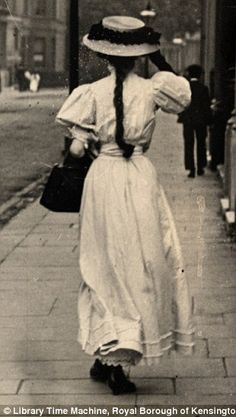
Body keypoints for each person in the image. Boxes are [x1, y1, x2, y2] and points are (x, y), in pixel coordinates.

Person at [56, 16, 194, 395]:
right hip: (139, 178)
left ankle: (106, 356)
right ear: (139, 57)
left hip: (103, 180)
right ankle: (117, 360)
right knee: (140, 263)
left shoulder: (91, 92)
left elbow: (76, 149)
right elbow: (183, 93)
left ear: (105, 56)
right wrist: (161, 61)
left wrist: (87, 144)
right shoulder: (153, 90)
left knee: (102, 265)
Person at [178, 64, 212, 178]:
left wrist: (181, 116)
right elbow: (207, 106)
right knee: (201, 144)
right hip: (201, 121)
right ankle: (201, 167)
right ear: (199, 75)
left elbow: (181, 103)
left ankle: (191, 169)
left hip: (188, 120)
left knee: (188, 144)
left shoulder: (185, 88)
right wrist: (209, 120)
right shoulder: (204, 89)